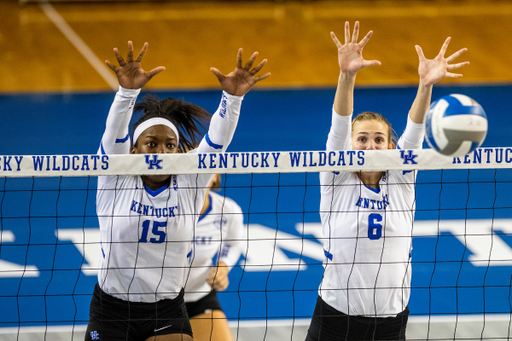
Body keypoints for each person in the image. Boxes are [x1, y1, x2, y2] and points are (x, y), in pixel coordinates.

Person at [85, 41, 269, 341]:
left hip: (167, 309)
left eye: (170, 145)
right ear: (133, 150)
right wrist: (127, 93)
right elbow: (112, 135)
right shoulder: (116, 177)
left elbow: (216, 143)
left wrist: (232, 99)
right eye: (152, 143)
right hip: (112, 310)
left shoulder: (189, 183)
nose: (161, 151)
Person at [306, 22, 469, 341]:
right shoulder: (335, 176)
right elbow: (338, 126)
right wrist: (347, 76)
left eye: (379, 140)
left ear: (391, 147)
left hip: (391, 321)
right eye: (362, 139)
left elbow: (415, 131)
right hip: (336, 316)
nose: (370, 146)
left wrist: (425, 85)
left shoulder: (402, 178)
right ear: (350, 145)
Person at [184, 174, 244, 341]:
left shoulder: (228, 209)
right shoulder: (159, 209)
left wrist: (222, 267)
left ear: (215, 175)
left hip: (198, 295)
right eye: (193, 169)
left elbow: (233, 243)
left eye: (205, 170)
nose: (200, 176)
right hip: (154, 302)